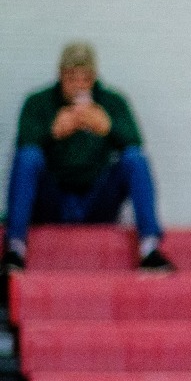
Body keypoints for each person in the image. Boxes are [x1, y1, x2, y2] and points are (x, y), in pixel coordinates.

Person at [5, 41, 172, 272]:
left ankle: (150, 249)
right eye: (72, 78)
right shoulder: (38, 102)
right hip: (53, 200)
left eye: (85, 79)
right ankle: (15, 250)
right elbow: (23, 149)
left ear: (94, 78)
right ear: (60, 75)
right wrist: (51, 132)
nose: (78, 86)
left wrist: (109, 128)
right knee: (28, 156)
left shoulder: (112, 102)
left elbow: (136, 143)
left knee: (134, 158)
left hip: (97, 201)